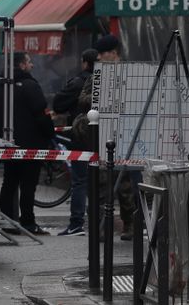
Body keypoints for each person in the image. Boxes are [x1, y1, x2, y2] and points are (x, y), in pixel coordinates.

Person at [75, 33, 138, 239]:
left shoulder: (130, 74)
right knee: (102, 184)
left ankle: (130, 224)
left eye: (103, 54)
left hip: (124, 134)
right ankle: (102, 226)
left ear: (113, 53)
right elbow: (83, 100)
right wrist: (99, 99)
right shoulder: (97, 76)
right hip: (102, 135)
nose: (99, 59)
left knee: (125, 185)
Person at [0, 51, 55, 236]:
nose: (32, 65)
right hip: (31, 144)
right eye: (29, 62)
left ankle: (8, 221)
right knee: (28, 184)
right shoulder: (30, 86)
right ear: (21, 65)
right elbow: (41, 115)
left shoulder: (0, 86)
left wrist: (1, 137)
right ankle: (28, 222)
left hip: (8, 142)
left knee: (9, 182)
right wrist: (49, 134)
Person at [52, 48, 98, 236]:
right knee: (101, 181)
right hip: (105, 139)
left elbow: (58, 104)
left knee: (80, 181)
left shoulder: (79, 82)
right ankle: (100, 223)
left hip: (81, 137)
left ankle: (77, 223)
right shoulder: (109, 81)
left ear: (85, 63)